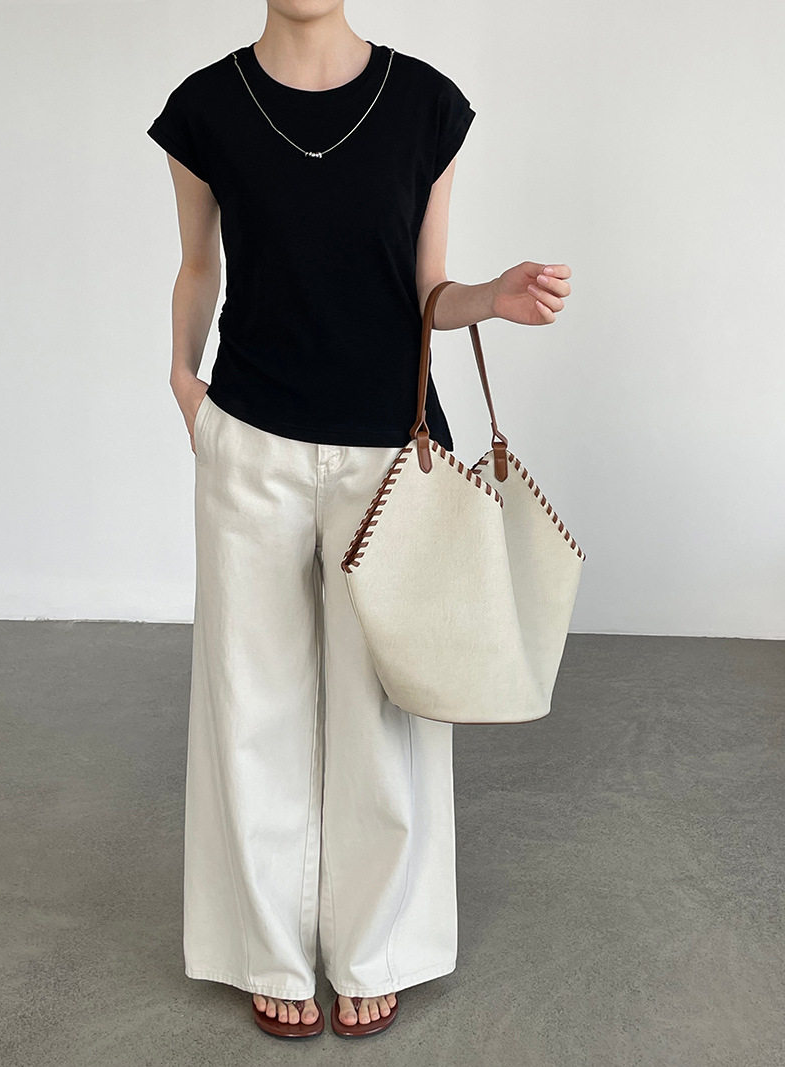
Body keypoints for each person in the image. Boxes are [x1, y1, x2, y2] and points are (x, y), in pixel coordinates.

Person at [146, 0, 571, 1042]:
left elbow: (424, 290)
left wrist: (490, 296)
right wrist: (184, 385)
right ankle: (267, 948)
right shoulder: (204, 108)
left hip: (389, 454)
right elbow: (199, 264)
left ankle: (373, 945)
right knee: (251, 703)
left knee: (386, 715)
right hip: (250, 441)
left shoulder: (424, 105)